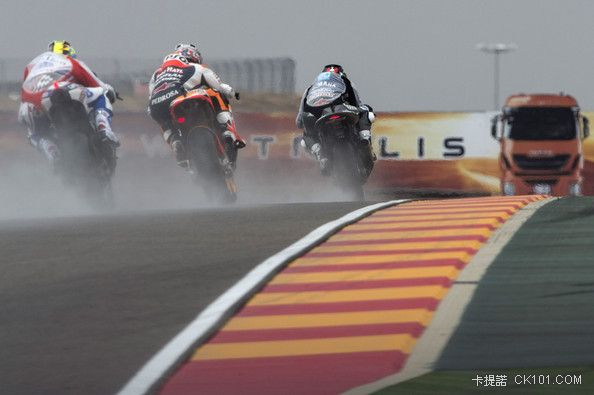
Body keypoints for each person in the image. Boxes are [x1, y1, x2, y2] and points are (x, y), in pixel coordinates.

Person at [18, 40, 120, 168]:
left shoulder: (32, 65)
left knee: (35, 134)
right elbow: (98, 84)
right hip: (66, 89)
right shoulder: (71, 62)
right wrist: (111, 92)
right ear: (69, 53)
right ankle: (103, 128)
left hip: (33, 102)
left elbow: (24, 91)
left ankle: (52, 152)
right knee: (101, 94)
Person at [148, 43, 245, 167]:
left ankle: (174, 140)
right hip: (182, 96)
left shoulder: (156, 74)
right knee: (216, 93)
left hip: (157, 104)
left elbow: (150, 100)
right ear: (193, 55)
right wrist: (232, 92)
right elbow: (220, 87)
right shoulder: (196, 67)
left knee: (163, 121)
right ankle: (227, 131)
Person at [296, 64, 376, 175]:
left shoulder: (309, 89)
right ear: (342, 74)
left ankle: (320, 154)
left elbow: (299, 121)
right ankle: (364, 137)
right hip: (339, 109)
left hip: (316, 113)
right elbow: (357, 104)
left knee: (307, 136)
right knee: (366, 110)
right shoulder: (346, 82)